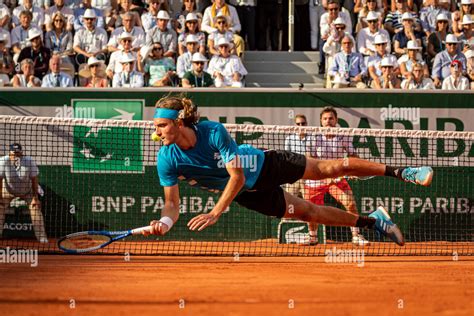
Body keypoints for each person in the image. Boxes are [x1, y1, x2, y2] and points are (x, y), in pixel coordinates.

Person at [145, 95, 434, 247]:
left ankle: (402, 171)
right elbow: (171, 204)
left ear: (179, 123)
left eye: (161, 126)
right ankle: (374, 223)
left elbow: (237, 175)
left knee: (328, 168)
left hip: (265, 165)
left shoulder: (212, 131)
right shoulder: (166, 159)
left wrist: (215, 212)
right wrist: (165, 223)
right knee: (309, 212)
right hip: (246, 194)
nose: (156, 132)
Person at [304, 107, 369, 246]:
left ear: (336, 120)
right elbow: (309, 159)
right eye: (325, 119)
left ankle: (356, 235)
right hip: (316, 178)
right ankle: (312, 236)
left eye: (331, 118)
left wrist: (354, 168)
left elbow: (353, 155)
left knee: (350, 203)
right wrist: (323, 174)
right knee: (310, 211)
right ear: (321, 121)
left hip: (337, 179)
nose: (328, 121)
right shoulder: (313, 137)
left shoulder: (343, 136)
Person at [0, 143, 48, 243]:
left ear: (22, 153)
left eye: (18, 153)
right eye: (14, 153)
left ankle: (42, 238)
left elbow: (34, 180)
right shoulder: (3, 161)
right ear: (9, 153)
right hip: (8, 190)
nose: (16, 155)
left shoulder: (29, 161)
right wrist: (0, 197)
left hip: (27, 191)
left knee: (35, 208)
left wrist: (35, 198)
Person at [283, 114, 312, 199]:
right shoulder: (289, 139)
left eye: (303, 123)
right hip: (293, 177)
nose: (301, 126)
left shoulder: (312, 138)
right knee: (290, 202)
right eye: (298, 124)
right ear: (295, 125)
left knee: (309, 204)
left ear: (306, 124)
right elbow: (287, 158)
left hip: (308, 177)